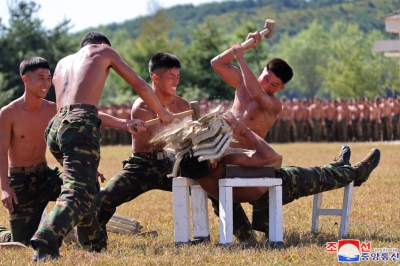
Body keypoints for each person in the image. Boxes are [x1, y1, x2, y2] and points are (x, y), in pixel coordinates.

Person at [30, 32, 174, 262]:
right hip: (79, 128)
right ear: (102, 45)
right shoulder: (103, 50)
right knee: (77, 191)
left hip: (56, 128)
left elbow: (76, 110)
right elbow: (140, 84)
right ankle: (46, 241)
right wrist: (161, 112)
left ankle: (94, 243)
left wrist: (123, 123)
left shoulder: (64, 63)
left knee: (86, 188)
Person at [95, 52, 253, 244]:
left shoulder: (183, 105)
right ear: (155, 77)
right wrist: (174, 121)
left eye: (178, 77)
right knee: (104, 199)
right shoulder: (142, 107)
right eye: (171, 77)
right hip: (142, 165)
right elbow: (165, 135)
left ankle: (246, 235)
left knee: (216, 184)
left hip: (173, 162)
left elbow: (196, 138)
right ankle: (92, 240)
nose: (176, 81)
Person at [179, 112, 380, 235]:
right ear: (212, 165)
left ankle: (337, 165)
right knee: (318, 177)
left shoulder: (195, 173)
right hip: (279, 185)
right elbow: (271, 157)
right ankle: (356, 173)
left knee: (318, 172)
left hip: (260, 196)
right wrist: (245, 131)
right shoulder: (227, 162)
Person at [0, 57, 63, 247]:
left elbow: (88, 113)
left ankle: (60, 228)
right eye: (40, 78)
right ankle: (2, 234)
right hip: (21, 183)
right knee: (21, 243)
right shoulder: (8, 113)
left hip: (46, 175)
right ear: (25, 80)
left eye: (48, 77)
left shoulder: (54, 108)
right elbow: (1, 152)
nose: (46, 83)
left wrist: (125, 123)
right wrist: (5, 188)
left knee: (82, 188)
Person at [210, 32, 293, 149]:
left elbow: (256, 95)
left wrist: (240, 58)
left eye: (274, 85)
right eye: (266, 78)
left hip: (247, 158)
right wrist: (245, 46)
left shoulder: (275, 105)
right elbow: (216, 64)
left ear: (280, 88)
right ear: (261, 71)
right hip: (221, 151)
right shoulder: (241, 83)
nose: (266, 85)